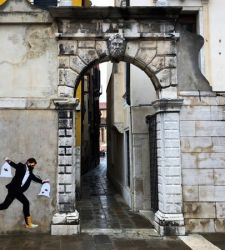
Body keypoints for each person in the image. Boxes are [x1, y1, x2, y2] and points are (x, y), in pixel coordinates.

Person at [0, 157, 48, 229]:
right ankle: (28, 223)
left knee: (5, 206)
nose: (33, 166)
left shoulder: (30, 173)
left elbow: (35, 179)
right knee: (26, 203)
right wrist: (8, 161)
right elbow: (14, 165)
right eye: (32, 165)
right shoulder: (21, 166)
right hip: (14, 189)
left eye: (34, 165)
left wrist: (43, 181)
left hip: (16, 191)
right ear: (28, 162)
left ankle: (28, 223)